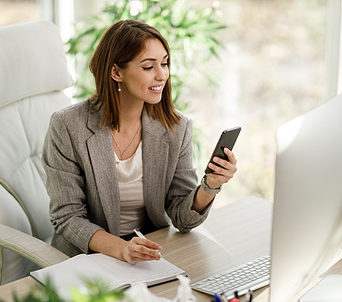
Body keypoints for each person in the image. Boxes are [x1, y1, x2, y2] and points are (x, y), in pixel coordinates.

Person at [42, 20, 237, 265]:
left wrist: (210, 185)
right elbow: (68, 218)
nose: (162, 74)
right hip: (85, 258)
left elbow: (182, 218)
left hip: (147, 253)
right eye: (148, 66)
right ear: (116, 72)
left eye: (165, 63)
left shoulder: (176, 127)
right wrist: (122, 249)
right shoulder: (68, 126)